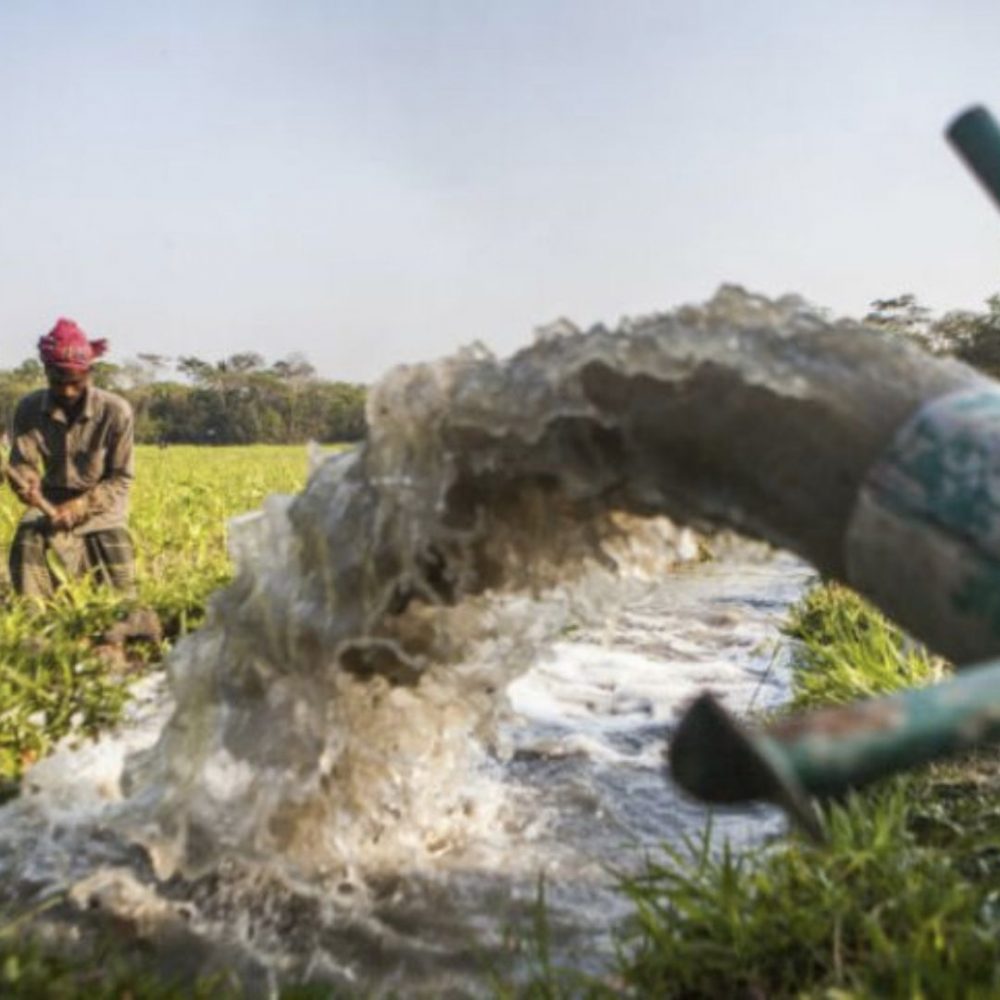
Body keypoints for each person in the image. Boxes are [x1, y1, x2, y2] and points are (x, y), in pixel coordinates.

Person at [5, 318, 136, 599]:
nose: (66, 391)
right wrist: (26, 482)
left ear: (89, 373)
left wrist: (80, 506)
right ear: (46, 372)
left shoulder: (115, 411)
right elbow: (22, 463)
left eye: (74, 383)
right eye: (57, 382)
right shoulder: (28, 408)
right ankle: (36, 624)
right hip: (49, 500)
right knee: (28, 540)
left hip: (102, 507)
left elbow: (120, 479)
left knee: (119, 576)